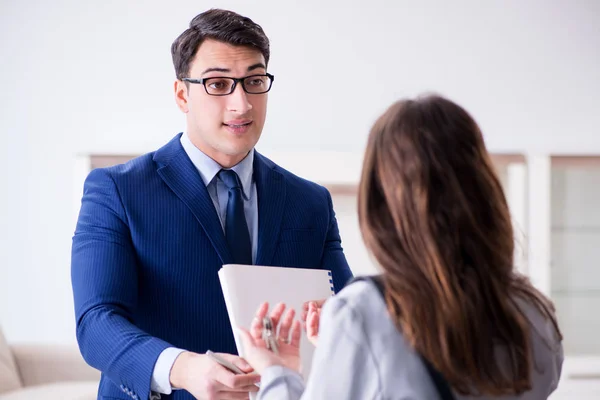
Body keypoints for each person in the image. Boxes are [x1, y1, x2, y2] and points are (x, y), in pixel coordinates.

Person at [70, 8, 353, 400]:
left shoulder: (311, 202)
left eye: (254, 81)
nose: (242, 105)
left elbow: (351, 316)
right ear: (182, 94)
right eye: (219, 84)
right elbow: (96, 323)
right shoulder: (116, 190)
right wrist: (183, 368)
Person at [239, 94, 564, 399]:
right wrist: (351, 350)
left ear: (379, 202)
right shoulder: (533, 314)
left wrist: (276, 372)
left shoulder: (364, 313)